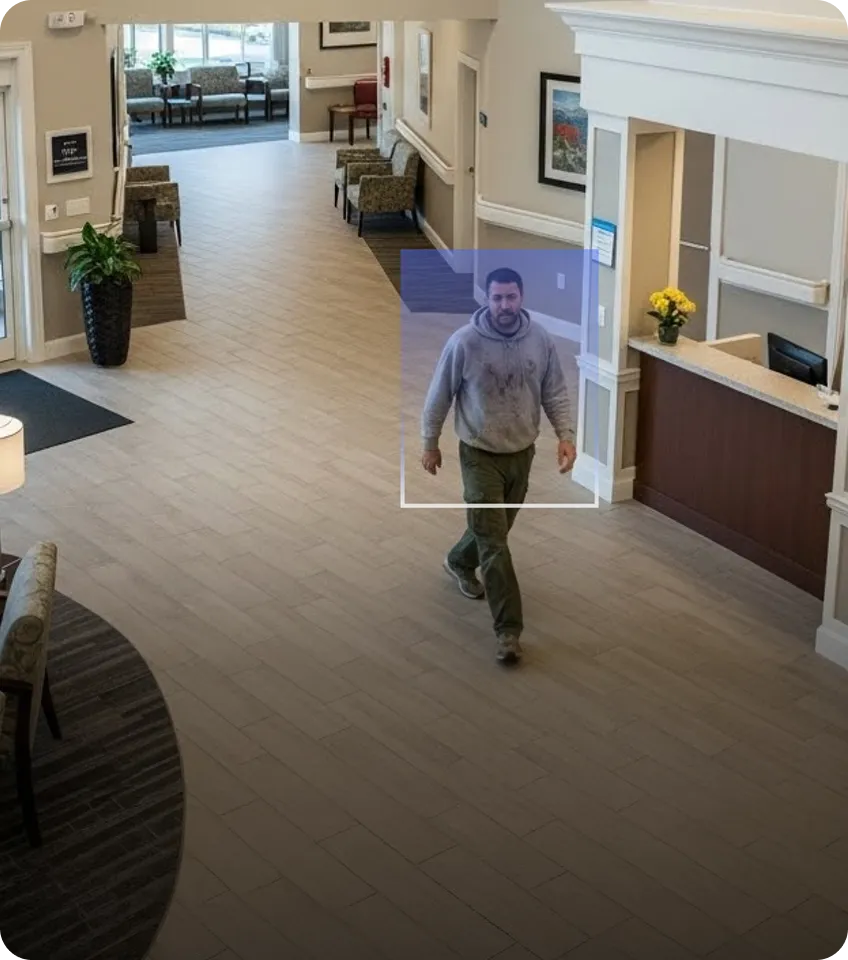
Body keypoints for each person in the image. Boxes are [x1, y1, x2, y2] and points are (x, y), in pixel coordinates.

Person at [420, 266, 576, 664]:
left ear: (521, 297)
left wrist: (565, 436)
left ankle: (458, 560)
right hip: (478, 453)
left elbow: (554, 390)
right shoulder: (465, 342)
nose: (504, 305)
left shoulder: (539, 339)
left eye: (510, 297)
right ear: (486, 299)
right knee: (495, 543)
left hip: (522, 452)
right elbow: (439, 395)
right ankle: (508, 631)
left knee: (496, 527)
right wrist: (430, 443)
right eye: (496, 298)